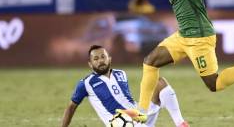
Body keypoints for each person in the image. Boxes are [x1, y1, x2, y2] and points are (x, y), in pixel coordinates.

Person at [61, 45, 189, 127]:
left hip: (137, 114)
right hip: (119, 121)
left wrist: (139, 112)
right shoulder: (86, 83)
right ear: (90, 64)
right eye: (96, 59)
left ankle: (181, 123)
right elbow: (71, 107)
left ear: (109, 59)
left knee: (159, 82)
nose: (100, 60)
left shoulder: (121, 73)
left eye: (103, 57)